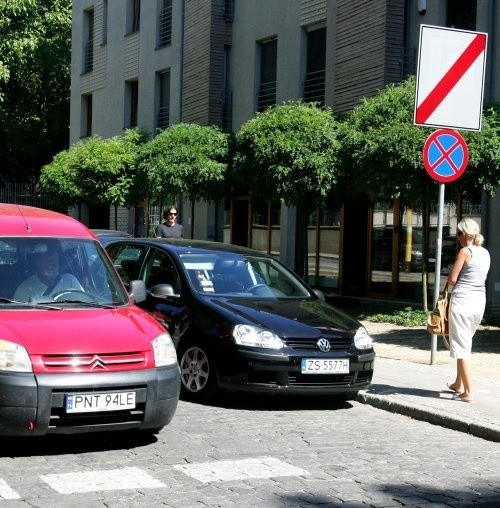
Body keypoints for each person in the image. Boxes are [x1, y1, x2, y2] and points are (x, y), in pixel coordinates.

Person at [446, 218, 490, 403]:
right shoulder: (486, 253)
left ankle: (468, 392)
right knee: (464, 342)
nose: (457, 237)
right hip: (479, 302)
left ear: (464, 234)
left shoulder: (464, 252)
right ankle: (458, 383)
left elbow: (452, 280)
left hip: (462, 302)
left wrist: (451, 271)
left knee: (462, 348)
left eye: (458, 233)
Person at [14, 247, 83, 302]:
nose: (50, 265)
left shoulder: (70, 280)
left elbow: (84, 304)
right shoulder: (24, 289)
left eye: (53, 260)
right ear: (38, 263)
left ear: (58, 262)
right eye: (46, 261)